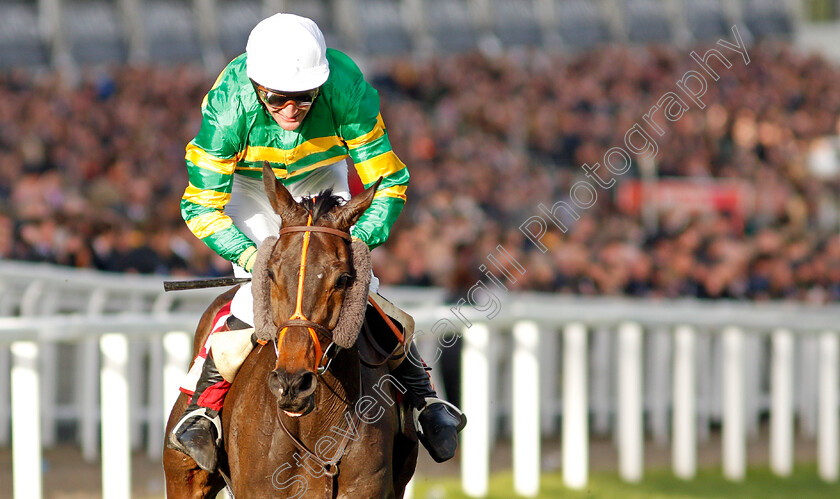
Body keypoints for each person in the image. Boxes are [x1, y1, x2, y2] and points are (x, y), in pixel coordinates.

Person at [168, 13, 465, 472]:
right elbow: (200, 204)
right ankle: (203, 409)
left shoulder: (347, 87)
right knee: (261, 292)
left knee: (353, 286)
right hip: (252, 186)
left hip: (321, 177)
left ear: (320, 85)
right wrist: (256, 256)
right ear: (255, 85)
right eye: (278, 98)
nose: (290, 109)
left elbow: (388, 182)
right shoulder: (228, 104)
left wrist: (351, 247)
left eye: (303, 98)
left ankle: (423, 397)